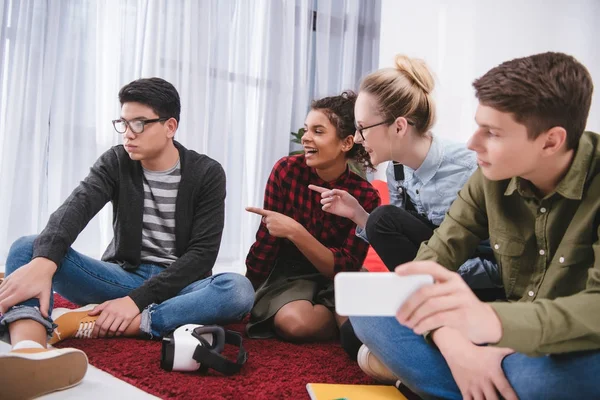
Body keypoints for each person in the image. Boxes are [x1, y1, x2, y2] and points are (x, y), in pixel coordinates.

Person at [351, 51, 600, 400]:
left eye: (492, 132)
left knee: (542, 379)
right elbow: (428, 265)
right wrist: (456, 347)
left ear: (551, 141)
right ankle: (479, 378)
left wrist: (493, 324)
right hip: (493, 330)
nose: (472, 143)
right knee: (366, 307)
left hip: (567, 342)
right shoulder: (487, 178)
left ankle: (461, 381)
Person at [0, 77, 254, 398]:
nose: (128, 133)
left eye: (138, 123)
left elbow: (201, 256)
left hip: (180, 287)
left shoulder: (206, 173)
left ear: (170, 126)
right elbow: (75, 208)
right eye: (123, 123)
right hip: (122, 278)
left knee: (237, 290)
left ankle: (93, 322)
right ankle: (29, 350)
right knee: (28, 247)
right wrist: (44, 261)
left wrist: (134, 303)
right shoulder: (117, 160)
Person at [311, 55, 500, 373]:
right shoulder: (398, 171)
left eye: (362, 129)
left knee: (383, 219)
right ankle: (430, 343)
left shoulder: (469, 169)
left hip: (478, 288)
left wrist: (442, 281)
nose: (357, 139)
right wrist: (359, 215)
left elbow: (500, 266)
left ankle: (440, 338)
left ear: (399, 126)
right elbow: (402, 246)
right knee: (351, 335)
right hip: (434, 283)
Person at [245, 91, 381, 342]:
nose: (306, 138)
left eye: (318, 131)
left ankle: (347, 320)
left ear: (346, 143)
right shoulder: (286, 171)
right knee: (297, 324)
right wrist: (247, 288)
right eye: (306, 130)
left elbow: (347, 266)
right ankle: (344, 323)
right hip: (289, 275)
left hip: (341, 277)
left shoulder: (366, 196)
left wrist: (296, 232)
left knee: (362, 324)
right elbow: (267, 240)